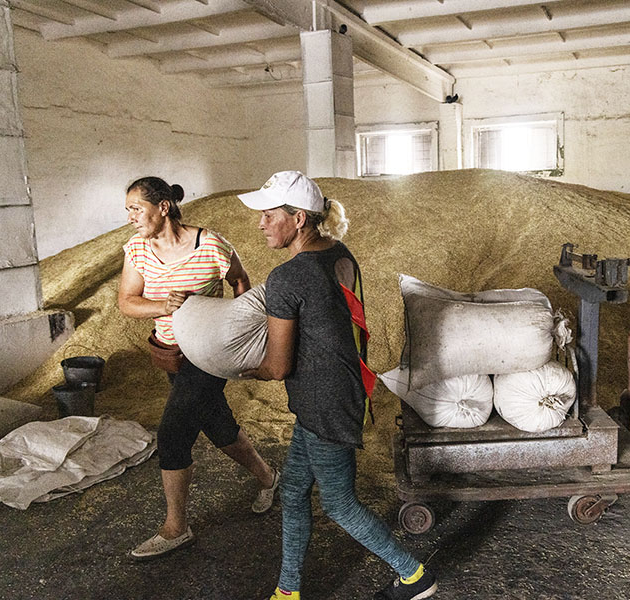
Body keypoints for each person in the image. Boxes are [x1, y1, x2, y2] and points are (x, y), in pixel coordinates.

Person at [238, 171, 438, 600]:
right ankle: (288, 590)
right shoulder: (339, 254)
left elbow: (275, 367)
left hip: (323, 402)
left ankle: (414, 575)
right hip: (343, 388)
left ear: (299, 219)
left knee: (340, 505)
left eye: (269, 215)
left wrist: (238, 367)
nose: (260, 224)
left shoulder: (287, 278)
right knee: (292, 492)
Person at [117, 176, 280, 561]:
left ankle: (176, 527)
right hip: (171, 354)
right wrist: (164, 307)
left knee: (173, 435)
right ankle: (270, 477)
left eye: (136, 209)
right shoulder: (137, 249)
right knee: (216, 422)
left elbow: (240, 282)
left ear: (163, 207)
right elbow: (127, 301)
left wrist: (241, 331)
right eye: (128, 210)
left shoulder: (212, 245)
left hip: (208, 354)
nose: (130, 218)